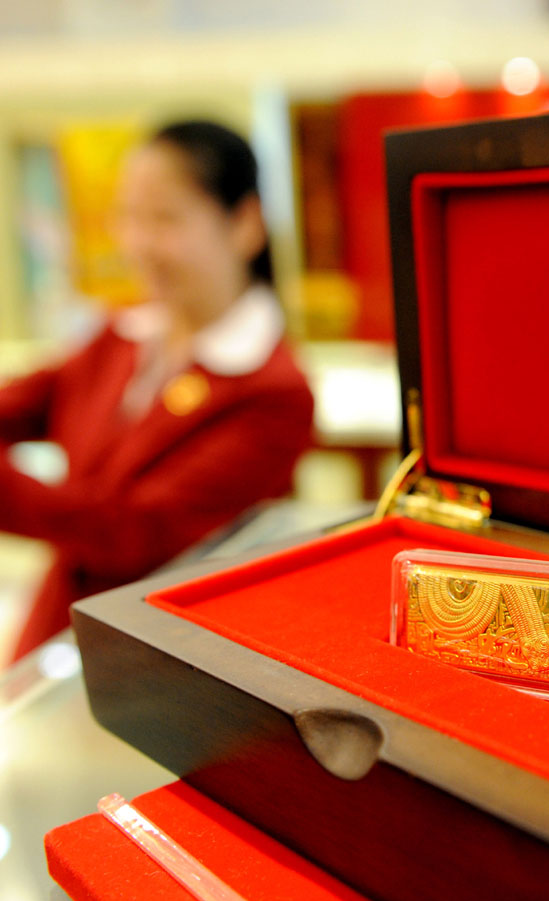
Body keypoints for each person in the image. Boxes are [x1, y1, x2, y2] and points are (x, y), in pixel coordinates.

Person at [0, 119, 314, 660]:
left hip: (163, 658)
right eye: (128, 216)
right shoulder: (122, 337)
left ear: (244, 224)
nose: (138, 244)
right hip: (58, 634)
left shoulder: (271, 392)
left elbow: (133, 530)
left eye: (165, 218)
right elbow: (21, 404)